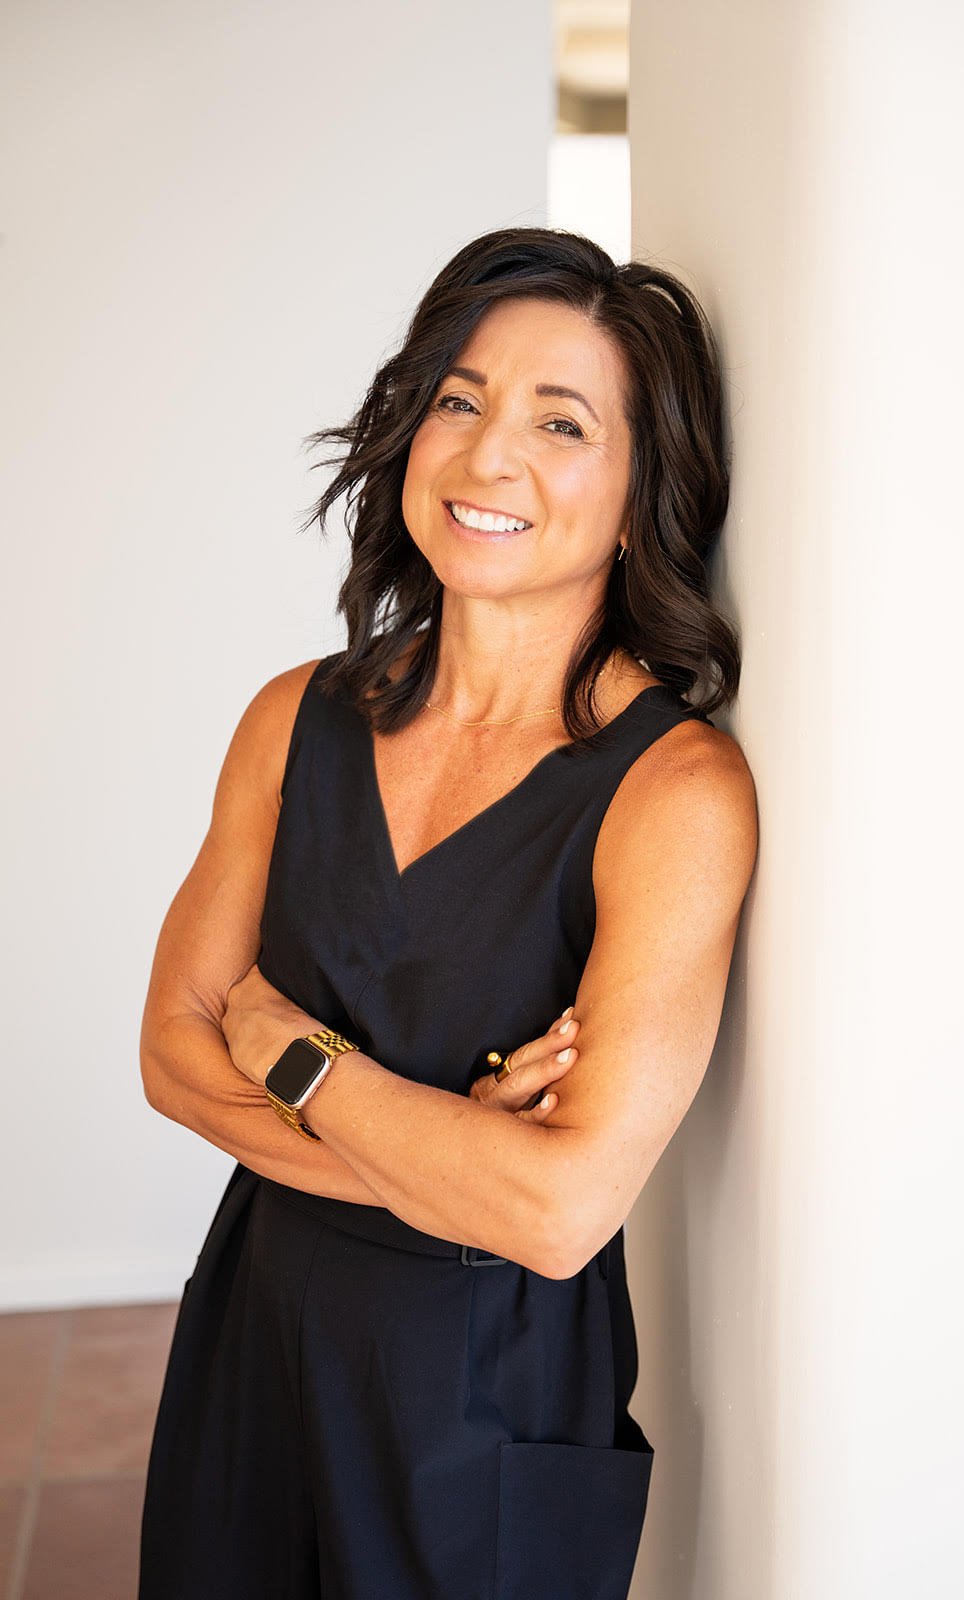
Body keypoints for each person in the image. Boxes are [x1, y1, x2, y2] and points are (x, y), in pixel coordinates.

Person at [137, 225, 757, 1600]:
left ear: (641, 488)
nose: (488, 457)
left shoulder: (674, 793)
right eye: (461, 401)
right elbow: (171, 1054)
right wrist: (453, 1157)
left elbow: (557, 1214)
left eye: (561, 422)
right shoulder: (294, 718)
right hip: (259, 1335)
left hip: (482, 1402)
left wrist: (290, 1051)